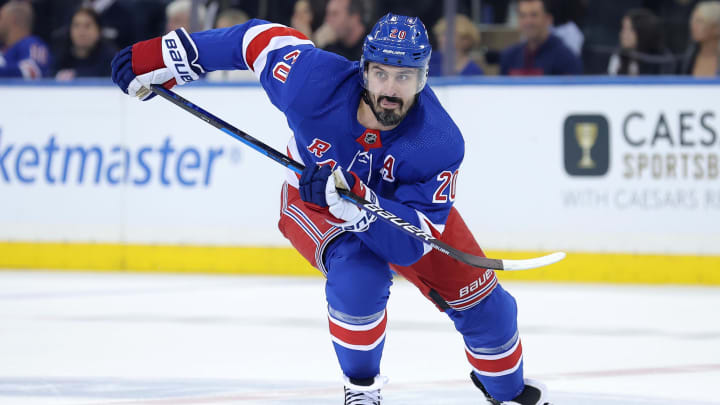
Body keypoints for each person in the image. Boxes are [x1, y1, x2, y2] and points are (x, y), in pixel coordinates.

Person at [110, 13, 551, 405]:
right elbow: (254, 41)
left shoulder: (439, 141)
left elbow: (414, 242)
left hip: (404, 215)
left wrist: (362, 207)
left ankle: (507, 394)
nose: (390, 90)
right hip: (312, 200)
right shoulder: (310, 82)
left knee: (489, 311)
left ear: (423, 78)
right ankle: (362, 388)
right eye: (380, 74)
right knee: (359, 276)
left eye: (404, 77)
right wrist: (169, 54)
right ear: (363, 70)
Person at [500, 0, 581, 75]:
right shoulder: (509, 57)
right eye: (523, 16)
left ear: (548, 19)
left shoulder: (566, 59)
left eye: (534, 15)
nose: (528, 22)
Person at [607, 8, 676, 76]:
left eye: (628, 29)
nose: (622, 34)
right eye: (623, 29)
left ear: (642, 32)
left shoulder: (662, 61)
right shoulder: (619, 56)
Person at [54, 7, 115, 79]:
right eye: (76, 25)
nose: (81, 32)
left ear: (99, 30)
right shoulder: (60, 56)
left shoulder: (112, 60)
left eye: (87, 26)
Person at [0, 0, 51, 79]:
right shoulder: (4, 49)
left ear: (13, 19)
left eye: (0, 17)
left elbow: (33, 71)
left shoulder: (32, 44)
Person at [679, 1, 720, 77]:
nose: (693, 26)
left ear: (716, 27)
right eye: (693, 20)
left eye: (700, 21)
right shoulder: (687, 58)